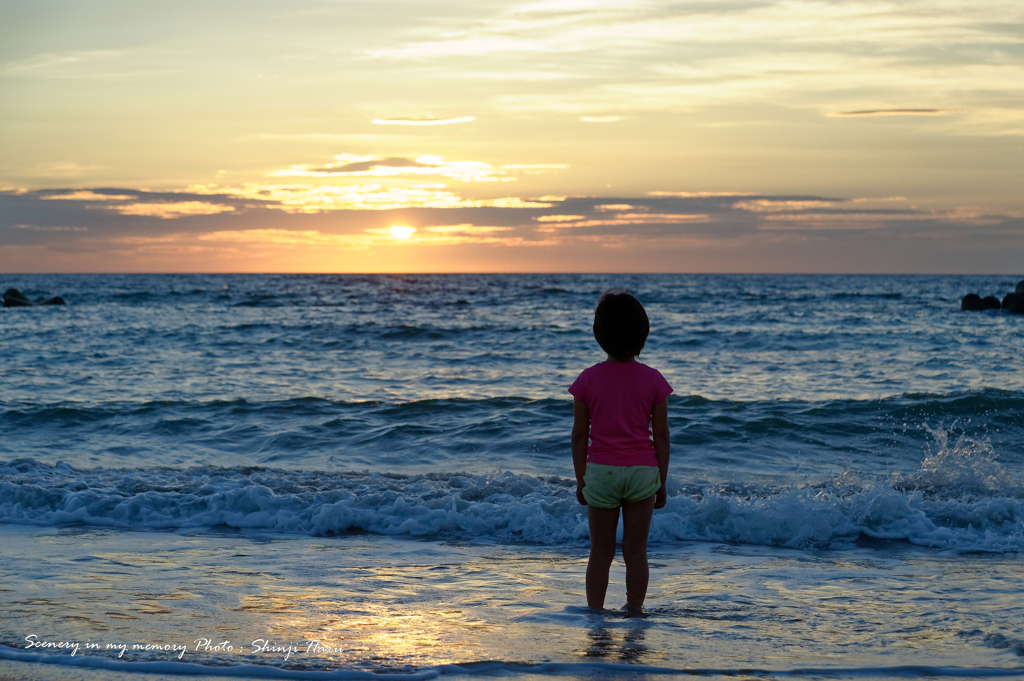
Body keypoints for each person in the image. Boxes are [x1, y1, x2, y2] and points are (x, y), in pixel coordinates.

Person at [569, 289, 671, 613]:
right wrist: (662, 481)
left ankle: (596, 618)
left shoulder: (587, 380)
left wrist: (580, 479)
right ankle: (635, 613)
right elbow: (662, 436)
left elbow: (579, 436)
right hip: (643, 472)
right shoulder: (654, 381)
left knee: (600, 550)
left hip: (601, 471)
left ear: (599, 336)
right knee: (636, 551)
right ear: (642, 338)